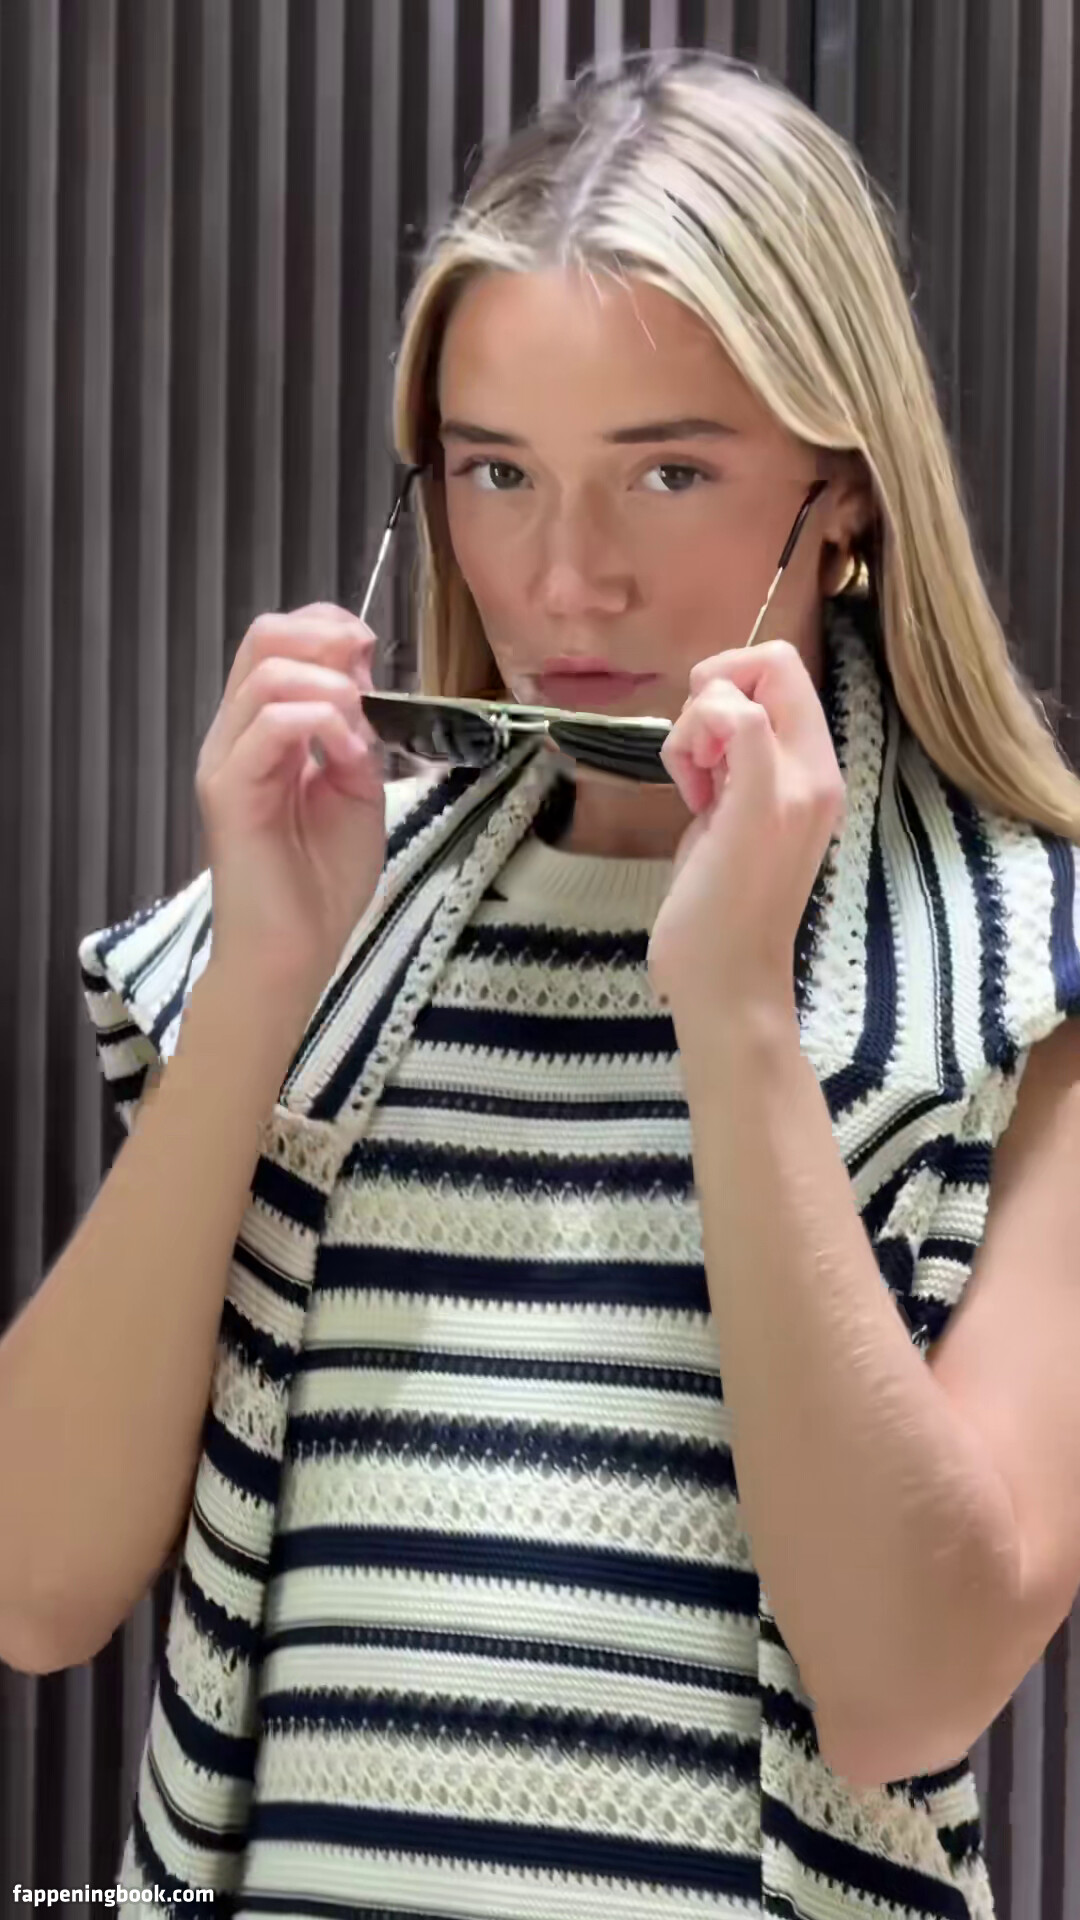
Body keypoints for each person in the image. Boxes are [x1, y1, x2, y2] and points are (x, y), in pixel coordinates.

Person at [2, 48, 1080, 1919]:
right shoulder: (307, 920)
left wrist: (737, 1017)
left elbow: (907, 1690)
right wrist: (259, 980)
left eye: (669, 471)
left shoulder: (1027, 970)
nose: (568, 582)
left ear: (844, 495)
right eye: (497, 473)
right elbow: (33, 1584)